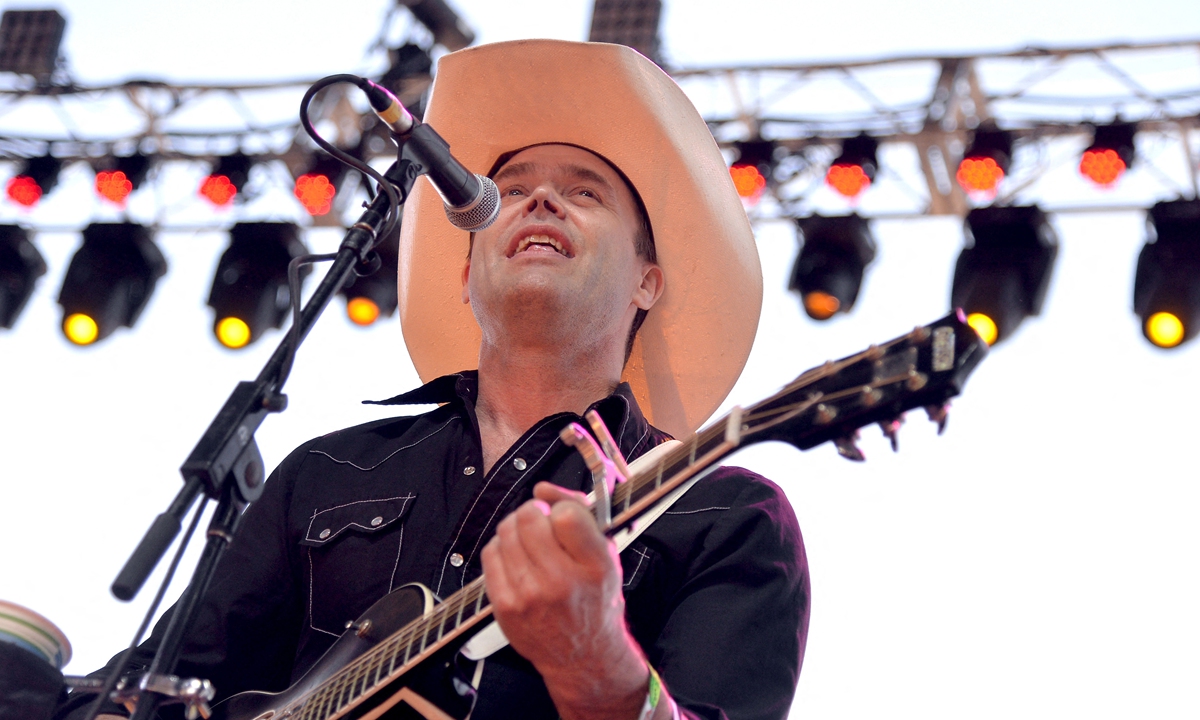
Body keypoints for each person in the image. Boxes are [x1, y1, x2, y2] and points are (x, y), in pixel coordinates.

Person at [61, 40, 808, 720]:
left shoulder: (721, 514)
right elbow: (171, 687)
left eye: (585, 193)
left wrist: (596, 665)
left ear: (648, 282)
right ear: (465, 275)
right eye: (510, 190)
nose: (539, 200)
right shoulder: (328, 473)